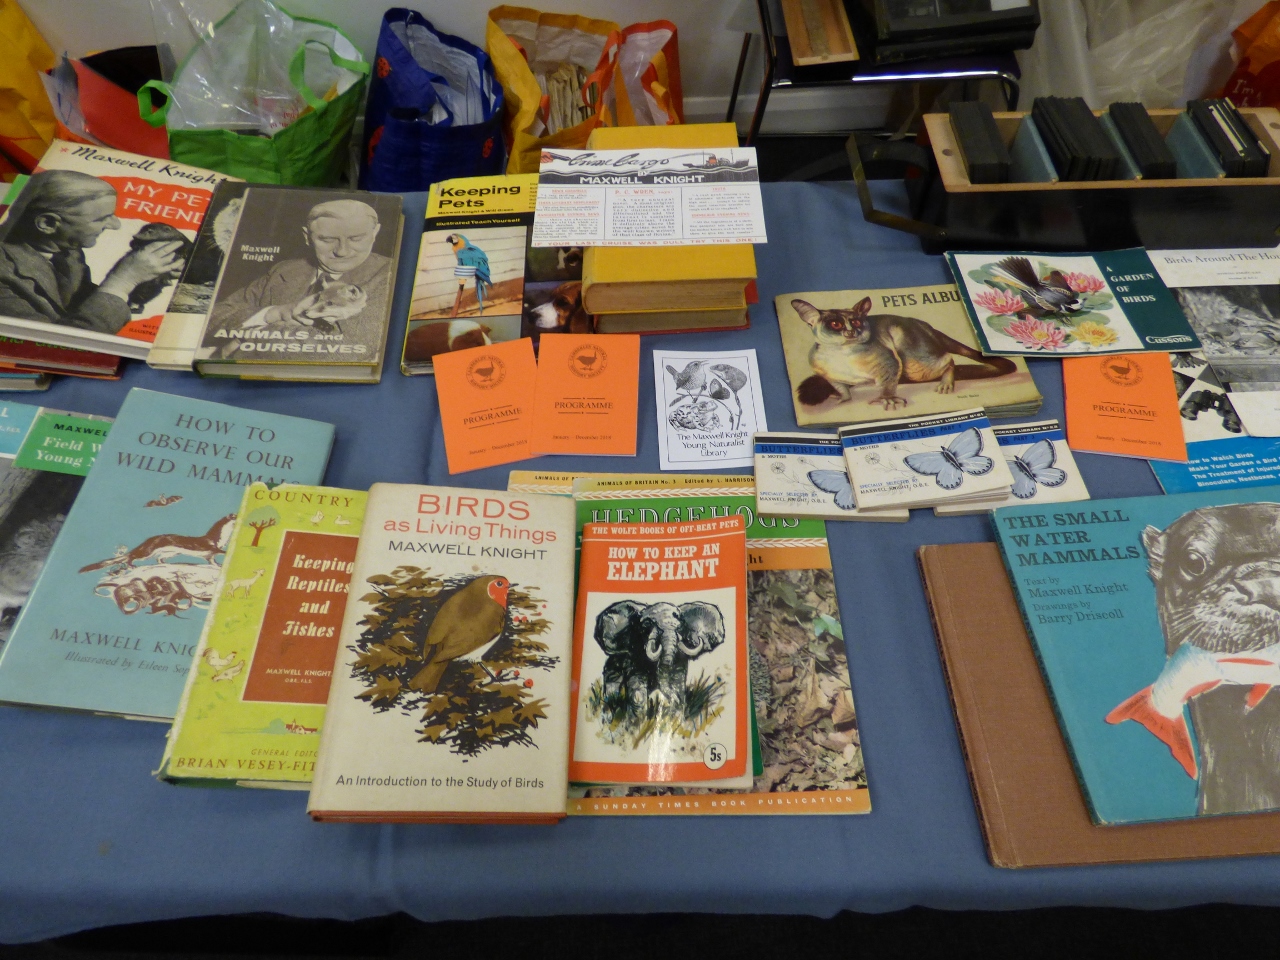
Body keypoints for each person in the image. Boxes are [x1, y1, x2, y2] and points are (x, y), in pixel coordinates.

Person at [0, 170, 183, 334]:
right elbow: (62, 344)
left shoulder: (67, 251)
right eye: (101, 219)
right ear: (48, 223)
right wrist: (123, 280)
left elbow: (78, 304)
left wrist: (147, 279)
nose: (115, 225)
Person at [205, 198, 390, 352]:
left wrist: (241, 342)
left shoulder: (389, 276)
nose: (342, 251)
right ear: (307, 237)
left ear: (375, 233)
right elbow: (212, 317)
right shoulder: (285, 270)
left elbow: (346, 350)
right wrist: (274, 312)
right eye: (327, 239)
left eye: (356, 239)